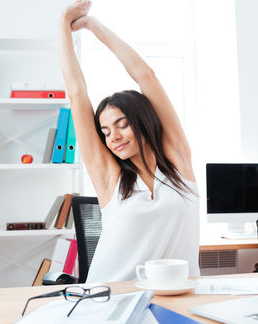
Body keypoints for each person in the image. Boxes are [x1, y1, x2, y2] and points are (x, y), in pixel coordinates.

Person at [58, 0, 200, 282]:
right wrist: (64, 23)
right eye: (106, 131)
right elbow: (76, 93)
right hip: (111, 298)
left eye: (122, 124)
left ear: (143, 122)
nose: (115, 137)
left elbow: (146, 75)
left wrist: (95, 26)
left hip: (180, 297)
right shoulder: (109, 178)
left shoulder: (178, 163)